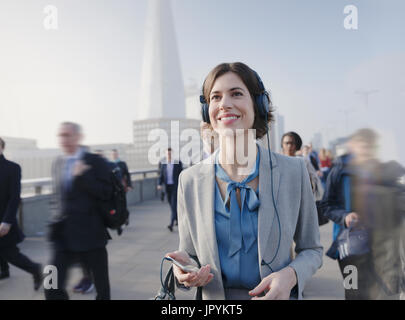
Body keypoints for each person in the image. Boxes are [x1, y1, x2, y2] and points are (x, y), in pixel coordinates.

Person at [166, 62, 322, 300]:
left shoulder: (294, 171)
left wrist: (291, 275)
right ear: (207, 109)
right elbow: (190, 255)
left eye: (236, 93)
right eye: (215, 97)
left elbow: (312, 249)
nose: (224, 104)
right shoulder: (189, 180)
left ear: (258, 104)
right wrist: (185, 271)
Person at [321, 128, 404, 300]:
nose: (366, 150)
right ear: (353, 147)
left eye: (371, 146)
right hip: (350, 248)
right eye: (362, 145)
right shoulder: (339, 171)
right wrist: (345, 216)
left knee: (384, 294)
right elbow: (327, 205)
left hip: (382, 248)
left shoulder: (385, 171)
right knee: (354, 293)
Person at [44, 122, 113, 300]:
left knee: (102, 289)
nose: (63, 140)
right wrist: (54, 218)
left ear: (78, 137)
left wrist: (84, 176)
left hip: (91, 235)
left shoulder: (95, 162)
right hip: (63, 236)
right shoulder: (58, 162)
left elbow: (106, 192)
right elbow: (57, 196)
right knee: (50, 285)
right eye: (61, 135)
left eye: (67, 135)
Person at [0, 137, 42, 290]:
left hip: (3, 219)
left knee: (10, 253)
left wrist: (7, 221)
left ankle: (36, 269)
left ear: (2, 147)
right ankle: (4, 271)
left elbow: (14, 197)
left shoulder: (12, 168)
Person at [157, 148, 183, 232]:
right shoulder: (163, 164)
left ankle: (171, 223)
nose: (169, 155)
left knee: (173, 204)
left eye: (170, 153)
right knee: (171, 204)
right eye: (168, 154)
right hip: (167, 187)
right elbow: (161, 175)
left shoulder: (178, 163)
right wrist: (159, 184)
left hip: (175, 186)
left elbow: (181, 174)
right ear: (165, 154)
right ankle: (177, 219)